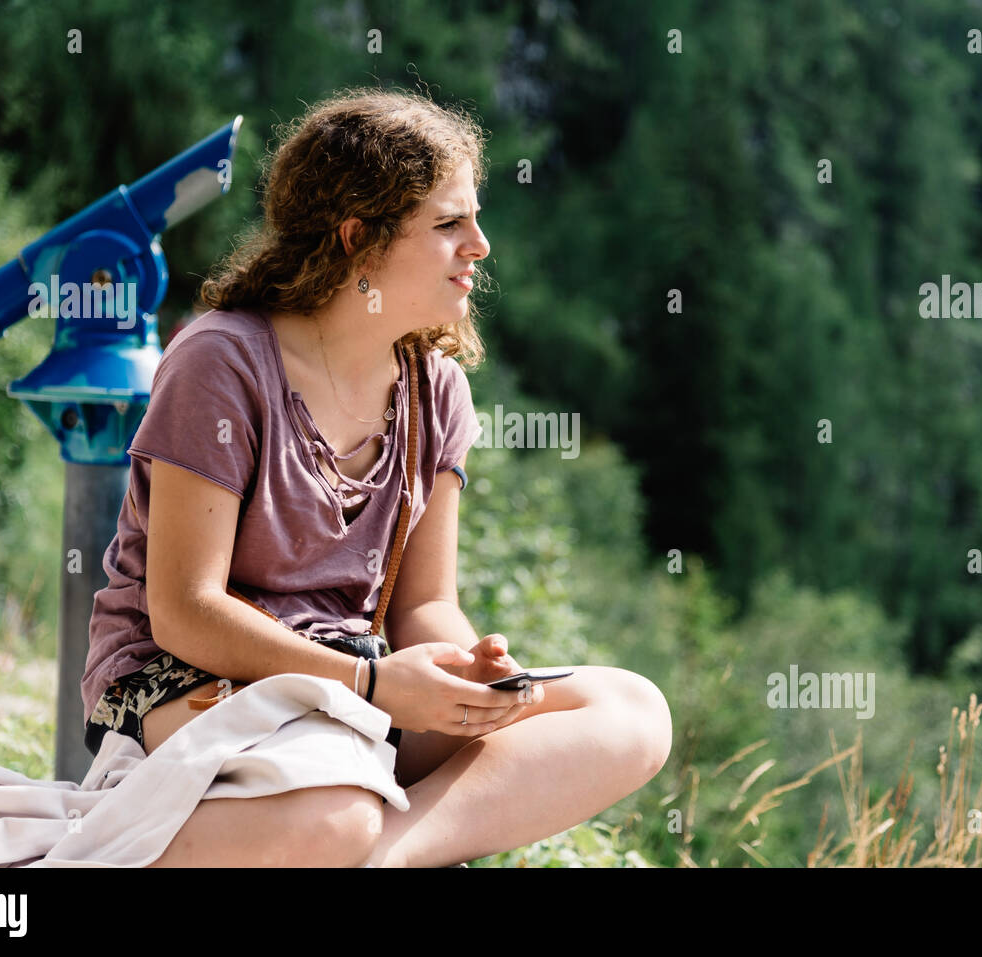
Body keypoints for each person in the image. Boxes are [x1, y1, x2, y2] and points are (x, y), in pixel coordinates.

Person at [79, 86, 673, 868]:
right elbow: (187, 610)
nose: (481, 245)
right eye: (449, 222)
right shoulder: (220, 360)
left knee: (631, 710)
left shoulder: (437, 391)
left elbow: (426, 604)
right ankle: (342, 839)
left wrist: (472, 674)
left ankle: (378, 857)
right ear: (359, 238)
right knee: (333, 804)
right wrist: (370, 682)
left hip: (353, 686)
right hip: (185, 680)